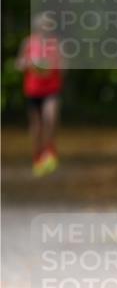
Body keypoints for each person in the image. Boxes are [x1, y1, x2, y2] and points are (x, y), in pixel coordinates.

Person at [15, 13, 65, 177]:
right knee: (36, 127)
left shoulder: (57, 44)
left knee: (50, 118)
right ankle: (37, 155)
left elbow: (65, 67)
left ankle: (49, 150)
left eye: (49, 25)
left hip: (52, 89)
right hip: (33, 90)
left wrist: (51, 67)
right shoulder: (28, 43)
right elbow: (19, 64)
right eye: (44, 24)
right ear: (38, 26)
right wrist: (30, 64)